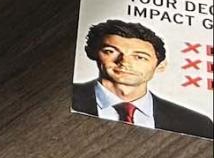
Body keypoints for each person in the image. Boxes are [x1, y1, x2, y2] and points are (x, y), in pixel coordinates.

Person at [72, 20, 213, 138]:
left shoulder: (196, 124)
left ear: (160, 66)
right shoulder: (66, 95)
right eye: (110, 51)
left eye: (140, 57)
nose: (124, 62)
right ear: (94, 54)